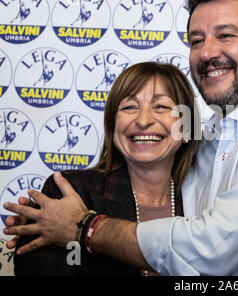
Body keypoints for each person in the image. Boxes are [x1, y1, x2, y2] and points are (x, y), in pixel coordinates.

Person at [4, 0, 238, 275]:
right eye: (196, 40)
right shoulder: (77, 191)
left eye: (226, 35)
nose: (207, 52)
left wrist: (86, 228)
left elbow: (213, 248)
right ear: (112, 120)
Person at [11, 61, 199, 275]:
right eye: (129, 107)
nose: (143, 120)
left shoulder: (206, 199)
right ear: (113, 126)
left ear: (186, 128)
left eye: (162, 107)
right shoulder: (71, 191)